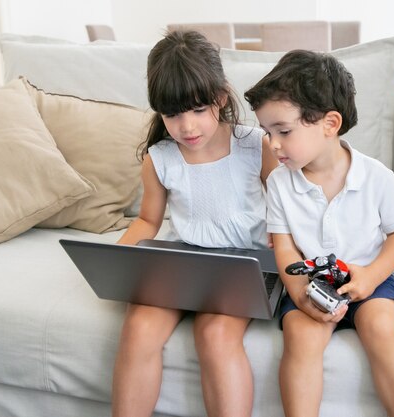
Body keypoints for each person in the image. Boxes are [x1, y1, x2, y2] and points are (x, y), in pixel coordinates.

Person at [244, 50, 394, 417]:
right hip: (310, 284)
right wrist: (298, 292)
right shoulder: (280, 182)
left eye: (283, 131)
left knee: (380, 328)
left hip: (369, 277)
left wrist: (372, 276)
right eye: (267, 132)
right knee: (300, 335)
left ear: (329, 123)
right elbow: (284, 248)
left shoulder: (375, 176)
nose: (273, 144)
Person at [112, 30, 277, 417]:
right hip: (185, 262)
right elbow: (148, 220)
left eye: (198, 110)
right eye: (173, 115)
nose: (187, 127)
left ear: (220, 98)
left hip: (244, 263)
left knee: (215, 335)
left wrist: (282, 236)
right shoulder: (160, 158)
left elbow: (288, 206)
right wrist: (117, 260)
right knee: (138, 329)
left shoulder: (256, 145)